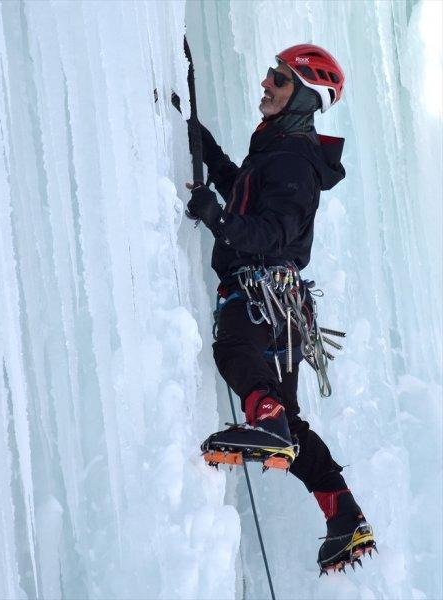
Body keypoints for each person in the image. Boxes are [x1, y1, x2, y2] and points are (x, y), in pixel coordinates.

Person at [185, 44, 376, 574]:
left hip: (262, 292)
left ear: (304, 100)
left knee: (234, 353)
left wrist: (216, 221)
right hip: (281, 304)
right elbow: (242, 192)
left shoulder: (292, 158)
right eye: (271, 75)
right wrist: (203, 145)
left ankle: (266, 423)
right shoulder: (277, 152)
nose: (265, 84)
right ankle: (344, 515)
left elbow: (274, 232)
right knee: (287, 419)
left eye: (279, 79)